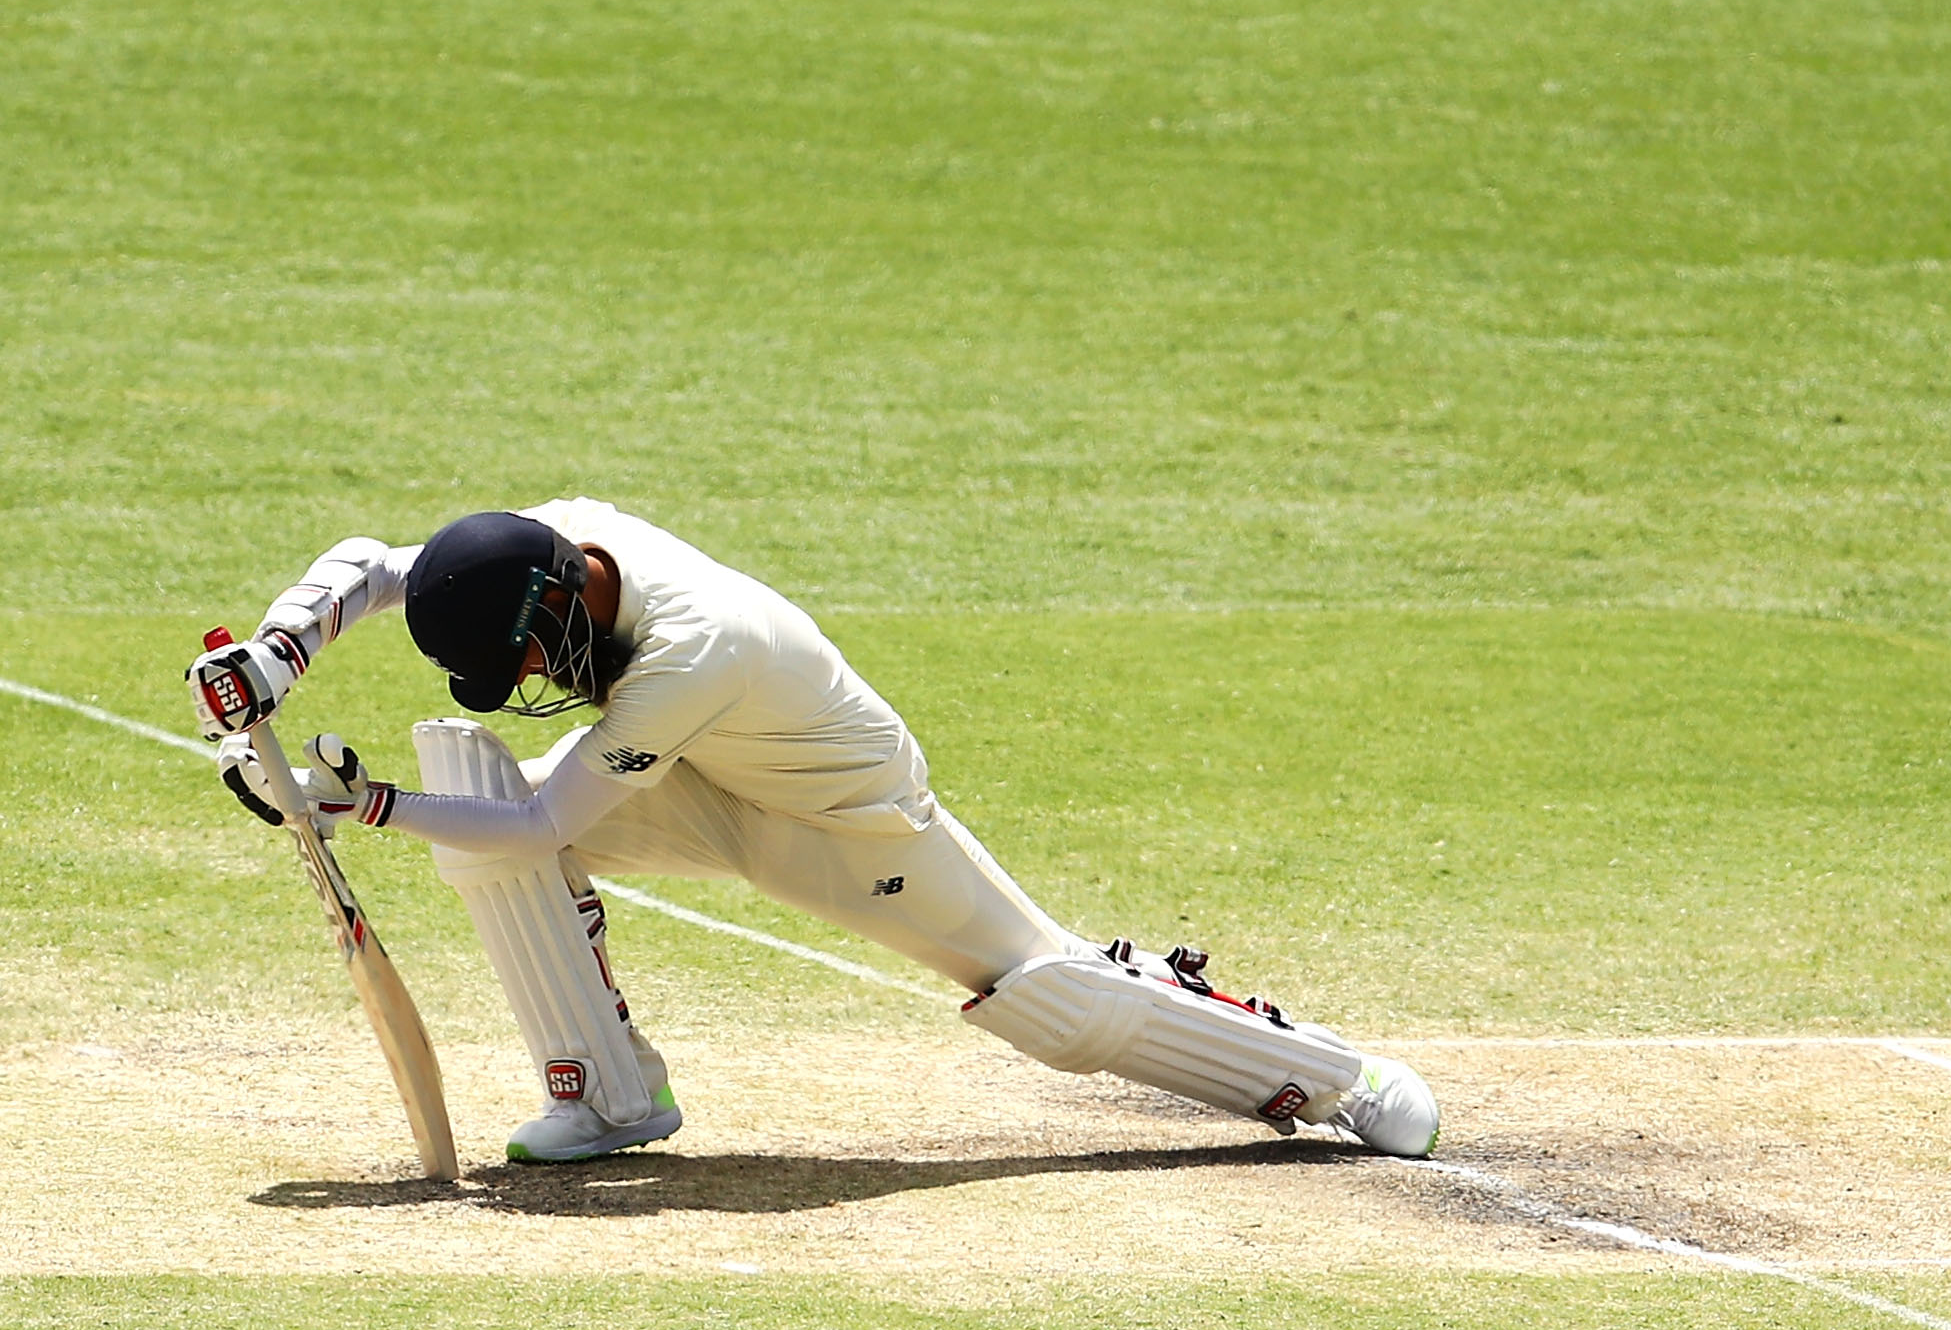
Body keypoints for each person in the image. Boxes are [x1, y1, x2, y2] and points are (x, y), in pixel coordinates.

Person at [188, 500, 1439, 1164]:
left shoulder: (689, 652)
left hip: (843, 819)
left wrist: (359, 804)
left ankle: (1337, 1078)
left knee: (1042, 999)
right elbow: (368, 560)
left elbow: (546, 816)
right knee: (476, 800)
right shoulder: (541, 546)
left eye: (519, 659)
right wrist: (278, 655)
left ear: (562, 600)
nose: (527, 680)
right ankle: (614, 1099)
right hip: (701, 778)